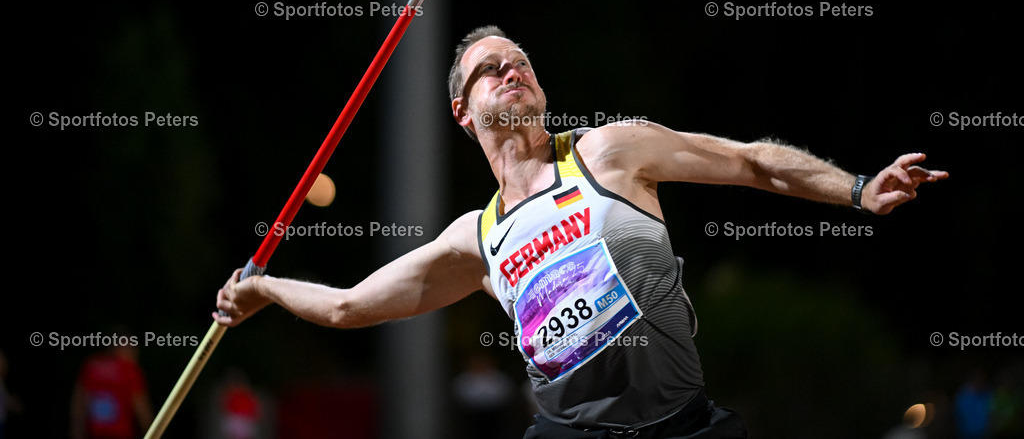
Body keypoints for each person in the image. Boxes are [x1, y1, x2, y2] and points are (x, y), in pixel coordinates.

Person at [214, 25, 948, 438]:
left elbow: (751, 162)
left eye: (522, 61)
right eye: (489, 69)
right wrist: (266, 288)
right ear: (462, 113)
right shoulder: (477, 238)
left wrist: (857, 188)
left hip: (681, 426)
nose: (513, 71)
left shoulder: (607, 151)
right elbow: (348, 306)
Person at [70, 335, 153, 439]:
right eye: (132, 348)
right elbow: (141, 407)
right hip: (120, 434)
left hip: (95, 434)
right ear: (119, 347)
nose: (136, 353)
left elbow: (79, 406)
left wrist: (77, 433)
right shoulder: (128, 369)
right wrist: (152, 430)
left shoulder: (91, 366)